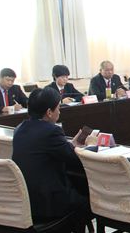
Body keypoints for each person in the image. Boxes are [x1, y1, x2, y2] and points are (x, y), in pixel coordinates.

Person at [11, 88, 90, 221]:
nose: (59, 111)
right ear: (49, 112)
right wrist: (90, 146)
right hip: (49, 203)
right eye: (58, 108)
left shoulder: (20, 129)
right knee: (93, 200)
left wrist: (71, 145)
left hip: (27, 200)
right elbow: (74, 159)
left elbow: (52, 149)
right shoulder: (51, 131)